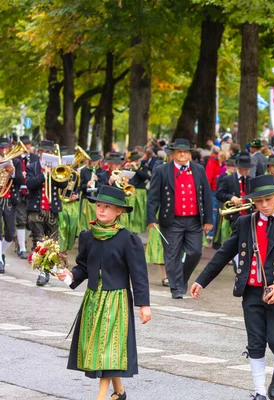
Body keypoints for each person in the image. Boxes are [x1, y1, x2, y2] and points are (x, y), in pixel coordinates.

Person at [190, 174, 274, 400]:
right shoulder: (244, 223)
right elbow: (223, 254)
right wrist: (200, 281)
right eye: (259, 201)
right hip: (251, 292)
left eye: (268, 199)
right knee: (255, 342)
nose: (264, 205)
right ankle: (259, 392)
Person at [57, 185, 151, 400]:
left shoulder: (128, 239)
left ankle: (101, 397)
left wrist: (144, 305)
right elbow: (82, 266)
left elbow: (139, 274)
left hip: (116, 298)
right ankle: (119, 391)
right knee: (98, 345)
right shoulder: (88, 236)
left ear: (119, 211)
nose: (101, 210)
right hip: (93, 298)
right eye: (99, 205)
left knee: (108, 347)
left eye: (107, 207)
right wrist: (69, 277)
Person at [146, 138, 213, 299]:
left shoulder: (199, 169)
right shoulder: (162, 170)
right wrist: (151, 218)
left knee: (195, 252)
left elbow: (206, 196)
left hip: (194, 220)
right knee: (172, 254)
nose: (182, 154)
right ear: (173, 154)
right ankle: (175, 287)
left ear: (190, 154)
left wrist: (208, 220)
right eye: (179, 152)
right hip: (171, 220)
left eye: (185, 152)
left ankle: (181, 278)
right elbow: (153, 197)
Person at [27, 140, 68, 286]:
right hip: (36, 210)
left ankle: (46, 270)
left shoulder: (57, 168)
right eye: (46, 152)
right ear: (40, 152)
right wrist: (44, 175)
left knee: (52, 243)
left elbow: (64, 185)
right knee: (39, 241)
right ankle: (42, 273)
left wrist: (59, 172)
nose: (49, 155)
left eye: (51, 153)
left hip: (52, 210)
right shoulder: (33, 167)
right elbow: (30, 184)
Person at [13, 135, 38, 259]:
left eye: (28, 144)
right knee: (21, 219)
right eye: (24, 144)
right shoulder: (15, 158)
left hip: (32, 193)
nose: (27, 147)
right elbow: (13, 176)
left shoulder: (34, 158)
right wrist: (19, 174)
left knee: (30, 222)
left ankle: (20, 240)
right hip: (19, 192)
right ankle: (22, 248)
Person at [0, 138, 23, 272]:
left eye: (6, 148)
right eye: (1, 148)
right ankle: (0, 260)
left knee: (10, 232)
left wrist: (13, 172)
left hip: (10, 200)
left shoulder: (17, 162)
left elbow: (20, 181)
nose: (4, 151)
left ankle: (1, 253)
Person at [79, 151, 109, 234]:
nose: (94, 163)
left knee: (98, 221)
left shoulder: (103, 172)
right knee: (86, 222)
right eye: (92, 161)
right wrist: (87, 185)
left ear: (99, 160)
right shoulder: (84, 171)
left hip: (98, 200)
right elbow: (81, 187)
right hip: (87, 200)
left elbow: (104, 186)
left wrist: (98, 180)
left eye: (95, 161)